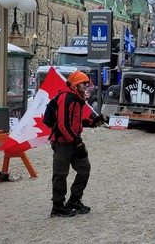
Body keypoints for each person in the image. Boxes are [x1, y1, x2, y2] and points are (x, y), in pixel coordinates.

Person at [50, 70, 107, 217]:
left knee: (84, 169)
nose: (86, 85)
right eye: (84, 83)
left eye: (87, 82)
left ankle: (74, 200)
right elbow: (63, 124)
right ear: (75, 84)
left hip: (73, 140)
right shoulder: (66, 97)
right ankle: (57, 206)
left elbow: (77, 121)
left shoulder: (77, 98)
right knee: (60, 174)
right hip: (62, 142)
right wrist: (77, 143)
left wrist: (95, 121)